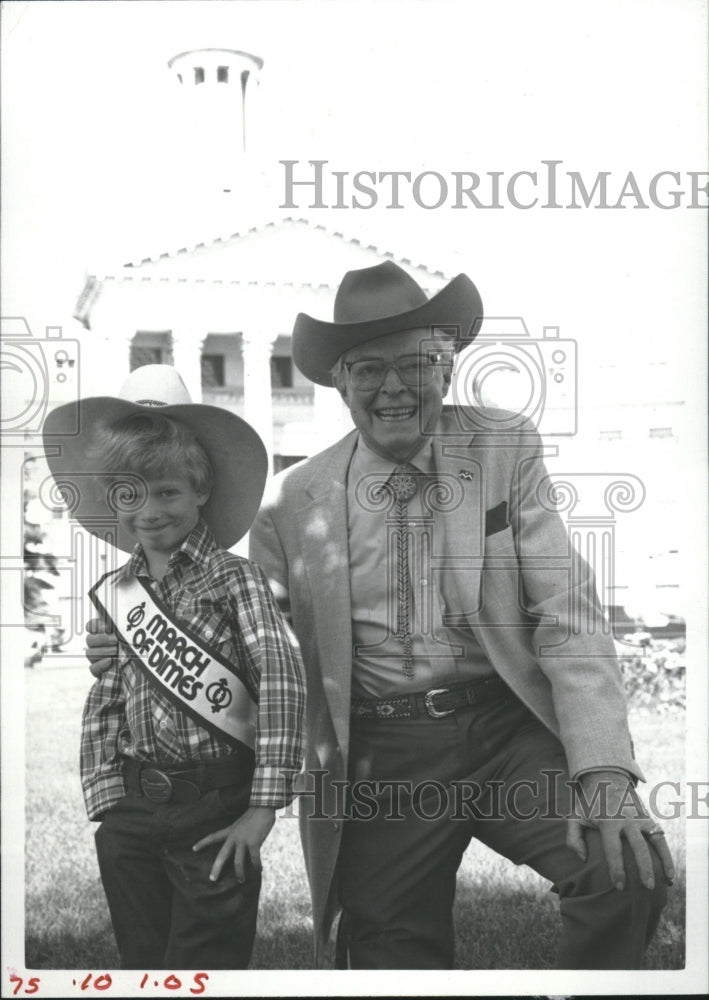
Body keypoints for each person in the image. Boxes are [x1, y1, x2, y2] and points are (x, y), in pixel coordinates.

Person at [87, 264, 674, 971]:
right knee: (389, 958)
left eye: (415, 365)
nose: (392, 389)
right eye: (368, 369)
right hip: (379, 754)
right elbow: (250, 647)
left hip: (505, 735)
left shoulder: (502, 447)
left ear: (447, 370)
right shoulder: (290, 503)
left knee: (625, 867)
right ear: (339, 383)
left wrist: (603, 773)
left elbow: (567, 613)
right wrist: (135, 637)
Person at [44, 365, 305, 970]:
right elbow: (106, 701)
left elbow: (283, 684)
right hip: (132, 810)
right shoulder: (115, 592)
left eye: (167, 492)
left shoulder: (234, 578)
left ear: (200, 490)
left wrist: (263, 807)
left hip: (215, 804)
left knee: (205, 962)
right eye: (131, 494)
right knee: (143, 961)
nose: (150, 511)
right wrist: (110, 805)